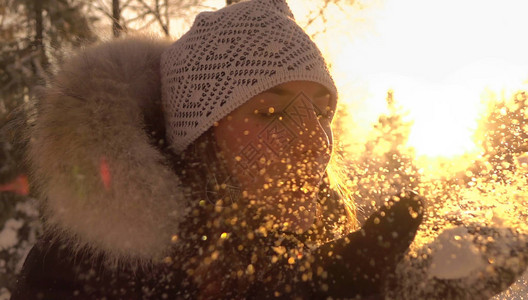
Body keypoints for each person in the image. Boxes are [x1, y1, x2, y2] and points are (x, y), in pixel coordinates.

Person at [11, 0, 524, 299]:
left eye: (321, 112)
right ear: (200, 135)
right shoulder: (85, 272)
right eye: (270, 112)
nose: (313, 141)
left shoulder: (307, 250)